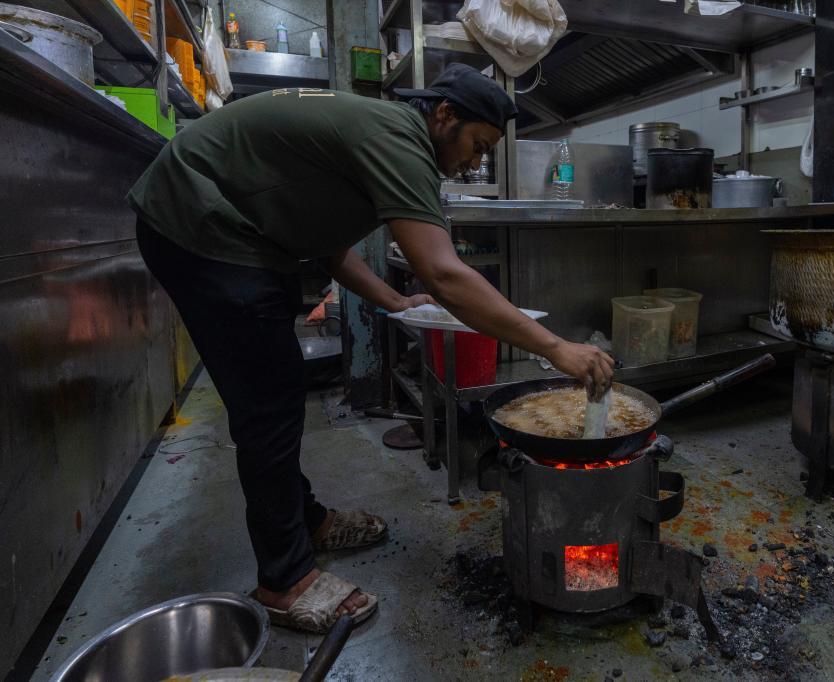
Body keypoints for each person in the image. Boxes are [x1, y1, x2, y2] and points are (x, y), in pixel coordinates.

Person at [127, 63, 614, 633]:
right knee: (269, 402)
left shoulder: (385, 136)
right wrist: (557, 348)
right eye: (477, 146)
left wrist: (390, 298)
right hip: (200, 223)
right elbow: (444, 274)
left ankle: (304, 522)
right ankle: (284, 581)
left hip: (222, 226)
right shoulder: (399, 138)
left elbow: (327, 238)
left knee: (275, 395)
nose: (476, 162)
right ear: (444, 116)